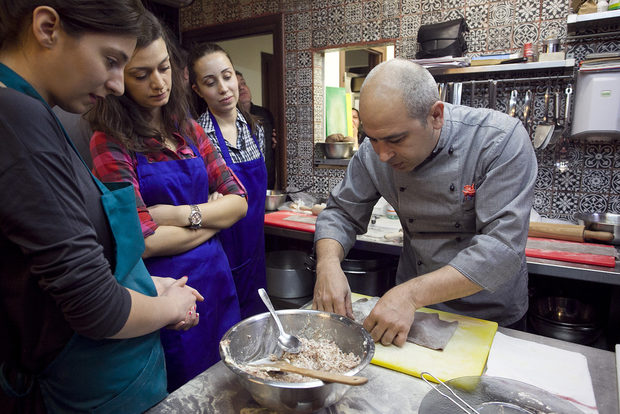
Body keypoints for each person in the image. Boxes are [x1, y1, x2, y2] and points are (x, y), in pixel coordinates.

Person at [0, 2, 202, 413]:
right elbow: (96, 309)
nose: (117, 84)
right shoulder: (16, 121)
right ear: (46, 27)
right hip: (89, 385)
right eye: (112, 61)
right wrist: (167, 306)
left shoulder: (38, 114)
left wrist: (145, 286)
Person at [312, 58, 537, 347]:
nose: (382, 155)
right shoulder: (374, 152)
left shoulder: (499, 140)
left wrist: (410, 294)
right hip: (415, 313)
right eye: (372, 138)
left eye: (396, 139)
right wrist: (328, 263)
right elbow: (341, 212)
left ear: (436, 116)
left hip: (490, 315)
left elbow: (502, 248)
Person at [86, 13, 248, 392]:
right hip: (168, 293)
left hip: (219, 282)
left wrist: (178, 215)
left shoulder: (188, 129)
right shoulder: (109, 141)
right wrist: (214, 219)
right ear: (118, 78)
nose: (158, 83)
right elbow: (142, 241)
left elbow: (239, 200)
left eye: (163, 68)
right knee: (186, 391)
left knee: (230, 383)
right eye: (141, 75)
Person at [189, 43, 268, 320]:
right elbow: (201, 204)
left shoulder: (253, 127)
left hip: (256, 253)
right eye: (210, 82)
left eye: (227, 76)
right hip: (221, 255)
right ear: (197, 90)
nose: (223, 88)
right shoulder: (197, 137)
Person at [236, 70, 277, 189]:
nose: (242, 88)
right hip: (243, 186)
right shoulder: (231, 119)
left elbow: (271, 145)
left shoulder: (264, 114)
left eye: (243, 83)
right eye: (237, 86)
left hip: (267, 182)